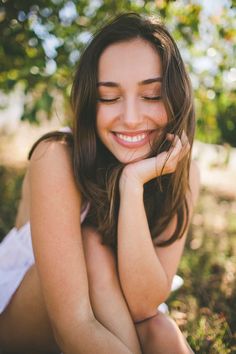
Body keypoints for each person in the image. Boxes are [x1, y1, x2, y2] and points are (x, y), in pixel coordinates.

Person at [0, 12, 200, 354]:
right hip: (24, 316)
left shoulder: (185, 173)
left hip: (116, 311)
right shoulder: (56, 155)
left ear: (175, 97)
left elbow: (144, 306)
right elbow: (73, 326)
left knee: (162, 332)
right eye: (109, 97)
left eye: (151, 95)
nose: (132, 118)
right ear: (91, 103)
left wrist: (132, 185)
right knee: (91, 242)